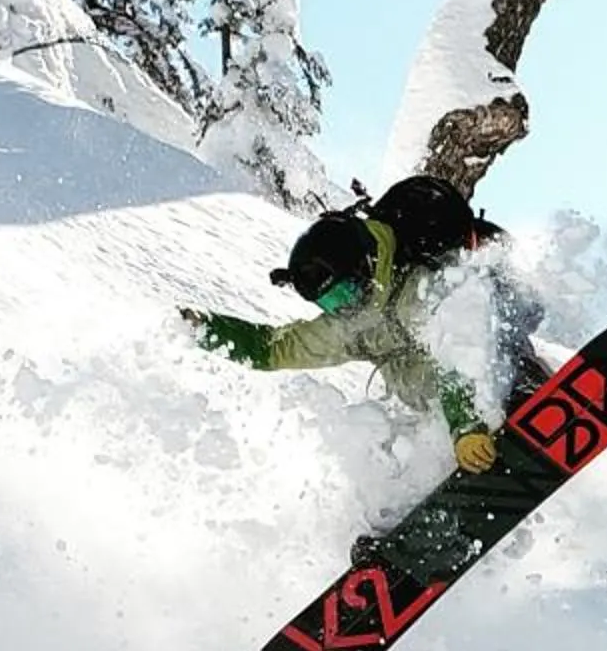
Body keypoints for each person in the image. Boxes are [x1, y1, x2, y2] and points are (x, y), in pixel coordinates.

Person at [180, 175, 509, 477]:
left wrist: (466, 426)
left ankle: (518, 391)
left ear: (363, 265)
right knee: (383, 441)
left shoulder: (419, 290)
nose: (341, 307)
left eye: (344, 293)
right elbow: (272, 348)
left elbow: (455, 357)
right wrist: (204, 328)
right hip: (437, 414)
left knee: (475, 349)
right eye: (329, 303)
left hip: (482, 371)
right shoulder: (348, 325)